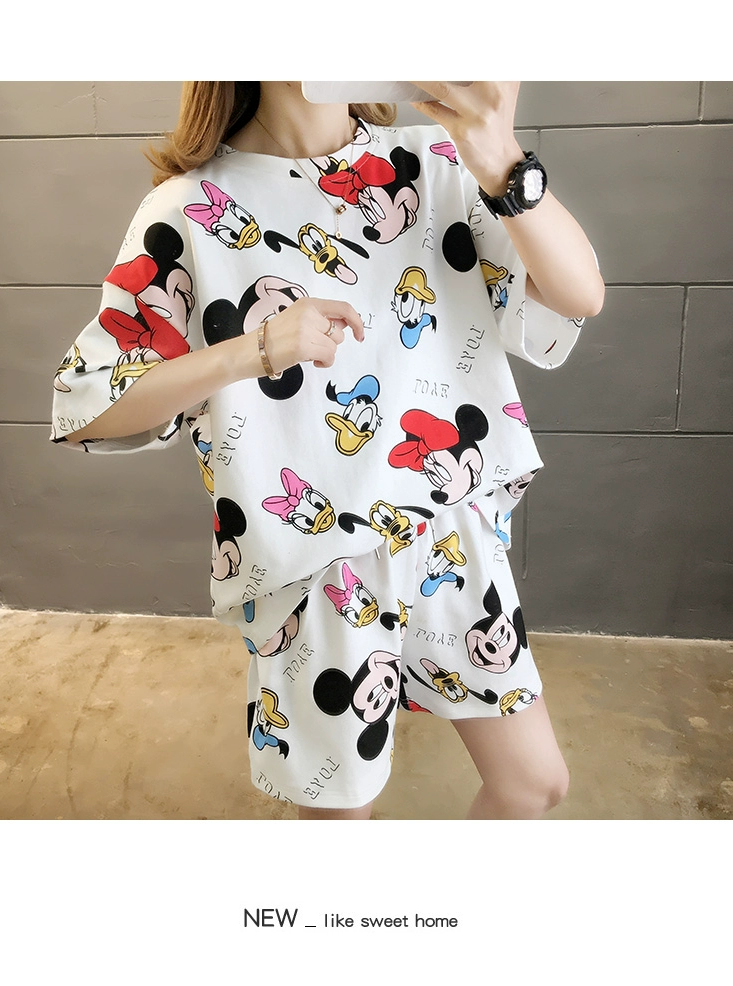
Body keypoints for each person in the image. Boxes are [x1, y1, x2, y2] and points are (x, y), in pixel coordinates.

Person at [51, 81, 604, 820]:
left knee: (534, 783)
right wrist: (252, 349)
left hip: (448, 535)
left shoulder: (437, 161)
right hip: (314, 569)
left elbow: (579, 295)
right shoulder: (188, 209)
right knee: (342, 818)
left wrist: (502, 156)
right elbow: (89, 406)